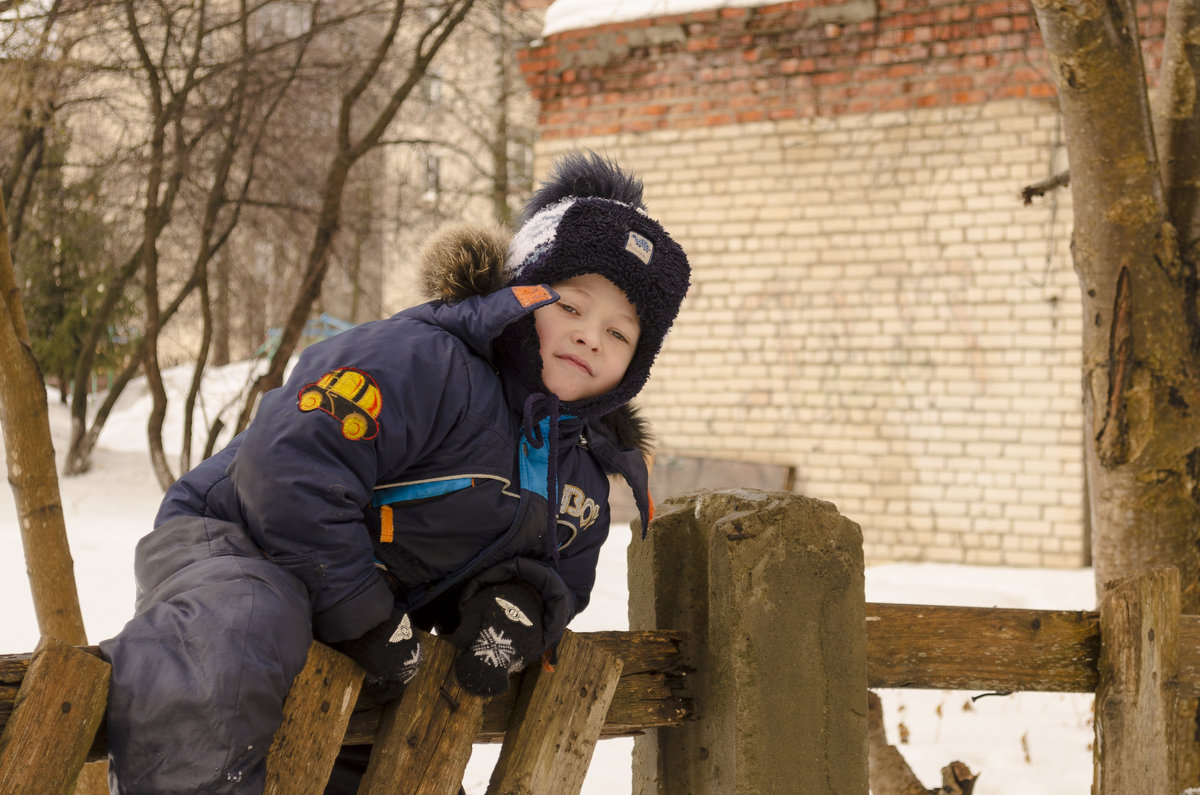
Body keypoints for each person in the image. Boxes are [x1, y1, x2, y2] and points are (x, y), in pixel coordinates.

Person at [99, 150, 691, 794]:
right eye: (571, 307)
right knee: (238, 631)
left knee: (390, 738)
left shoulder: (582, 472)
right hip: (237, 543)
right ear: (518, 293)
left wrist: (514, 604)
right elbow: (292, 466)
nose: (590, 338)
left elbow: (557, 572)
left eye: (620, 333)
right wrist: (361, 611)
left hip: (380, 614)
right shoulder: (428, 361)